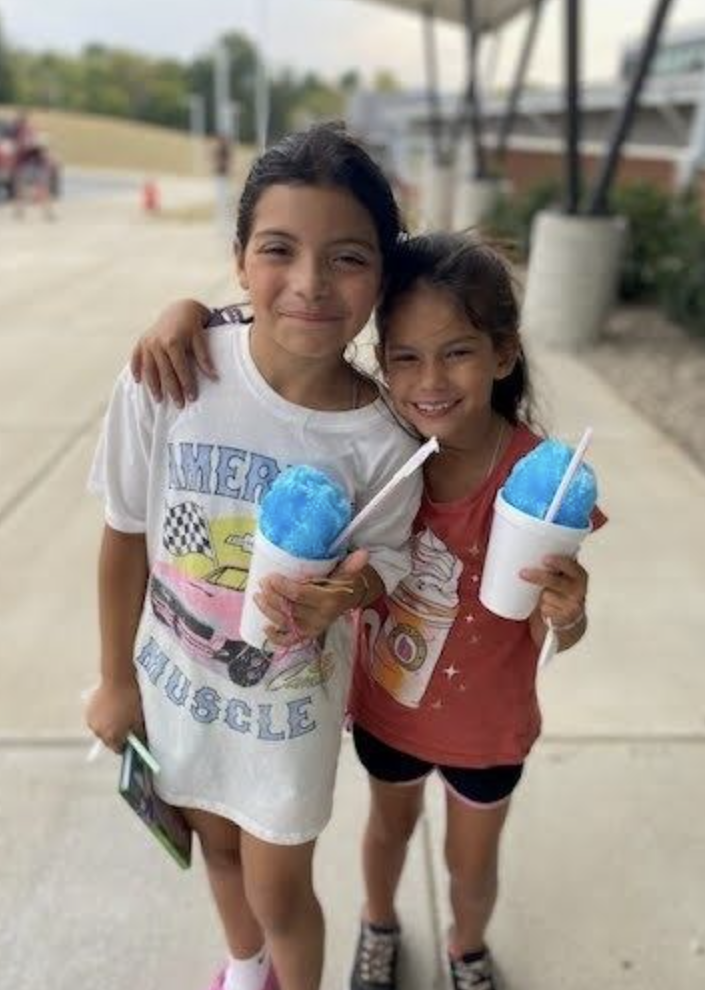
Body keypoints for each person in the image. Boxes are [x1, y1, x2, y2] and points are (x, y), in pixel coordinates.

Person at [129, 231, 605, 990]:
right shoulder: (377, 451)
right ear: (382, 363)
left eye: (458, 353)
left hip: (490, 724)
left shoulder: (539, 480)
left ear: (503, 354)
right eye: (406, 358)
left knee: (470, 862)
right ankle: (379, 926)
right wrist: (186, 312)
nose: (430, 381)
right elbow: (283, 335)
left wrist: (570, 613)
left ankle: (466, 947)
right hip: (389, 710)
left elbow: (554, 628)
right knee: (388, 832)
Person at [86, 123, 423, 990]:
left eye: (348, 258)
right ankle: (245, 969)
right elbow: (125, 531)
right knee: (213, 847)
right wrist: (116, 678)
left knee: (280, 888)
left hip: (284, 719)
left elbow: (385, 559)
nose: (310, 283)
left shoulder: (385, 440)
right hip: (176, 687)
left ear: (382, 276)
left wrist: (346, 592)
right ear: (240, 259)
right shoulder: (172, 374)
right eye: (279, 249)